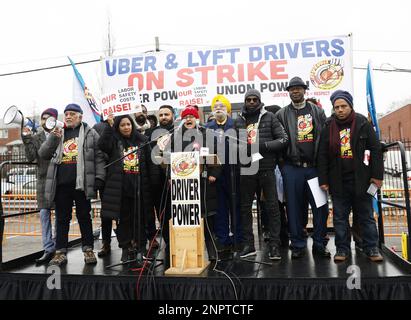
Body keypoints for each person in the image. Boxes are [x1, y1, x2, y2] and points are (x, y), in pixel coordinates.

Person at [318, 90, 384, 262]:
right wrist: (323, 179)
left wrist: (377, 176)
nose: (340, 110)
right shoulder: (328, 125)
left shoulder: (362, 122)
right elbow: (322, 155)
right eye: (336, 107)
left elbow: (376, 150)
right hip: (338, 181)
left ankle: (371, 248)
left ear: (350, 106)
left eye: (343, 106)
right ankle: (342, 249)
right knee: (340, 217)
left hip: (362, 179)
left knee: (366, 216)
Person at [40, 104, 106, 266]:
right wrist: (53, 137)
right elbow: (43, 154)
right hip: (61, 185)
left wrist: (99, 178)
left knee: (84, 217)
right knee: (62, 219)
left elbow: (99, 156)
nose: (68, 117)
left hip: (82, 184)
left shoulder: (90, 133)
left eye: (72, 114)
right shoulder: (58, 132)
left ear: (80, 116)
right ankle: (60, 252)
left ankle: (88, 250)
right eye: (66, 114)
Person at [276, 76, 330, 259]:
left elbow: (324, 141)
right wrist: (283, 166)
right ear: (288, 91)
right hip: (292, 169)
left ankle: (320, 243)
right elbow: (277, 142)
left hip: (314, 168)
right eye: (292, 88)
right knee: (293, 208)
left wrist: (323, 168)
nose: (295, 91)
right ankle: (298, 243)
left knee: (320, 207)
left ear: (304, 90)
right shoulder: (281, 114)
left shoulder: (317, 111)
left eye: (299, 88)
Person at [234, 89, 288, 260]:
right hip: (246, 169)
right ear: (244, 101)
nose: (251, 102)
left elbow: (283, 140)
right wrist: (241, 150)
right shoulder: (238, 120)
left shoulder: (270, 117)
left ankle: (274, 245)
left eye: (254, 99)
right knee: (245, 209)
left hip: (266, 169)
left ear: (259, 101)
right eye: (248, 99)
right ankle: (248, 245)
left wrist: (260, 146)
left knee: (272, 208)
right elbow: (231, 144)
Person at [98, 113, 158, 263]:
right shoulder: (114, 140)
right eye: (122, 125)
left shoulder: (142, 140)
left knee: (141, 220)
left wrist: (154, 182)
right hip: (121, 189)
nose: (126, 127)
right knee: (124, 221)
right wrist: (110, 127)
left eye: (128, 124)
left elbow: (151, 164)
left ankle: (141, 249)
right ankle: (125, 248)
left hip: (140, 189)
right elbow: (102, 145)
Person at [165, 105, 221, 260]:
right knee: (188, 217)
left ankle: (211, 249)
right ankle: (187, 253)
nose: (188, 119)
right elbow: (169, 159)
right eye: (186, 117)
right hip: (184, 184)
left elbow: (216, 155)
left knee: (207, 217)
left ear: (197, 119)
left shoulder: (206, 134)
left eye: (191, 116)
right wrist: (170, 176)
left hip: (204, 182)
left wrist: (214, 173)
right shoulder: (175, 137)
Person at [22, 108, 58, 264]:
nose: (45, 120)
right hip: (43, 181)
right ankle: (48, 249)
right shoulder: (36, 137)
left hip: (58, 178)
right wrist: (27, 138)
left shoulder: (61, 134)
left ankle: (59, 247)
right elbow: (30, 157)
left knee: (61, 216)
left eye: (49, 118)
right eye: (43, 118)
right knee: (44, 215)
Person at [206, 95, 242, 253]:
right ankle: (223, 239)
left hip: (235, 172)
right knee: (220, 208)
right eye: (215, 106)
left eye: (221, 106)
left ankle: (238, 238)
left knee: (236, 206)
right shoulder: (207, 127)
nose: (218, 108)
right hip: (216, 174)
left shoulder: (236, 125)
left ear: (227, 109)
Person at [148, 105, 175, 248]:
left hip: (176, 178)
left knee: (175, 212)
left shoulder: (179, 132)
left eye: (167, 114)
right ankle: (168, 241)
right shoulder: (151, 133)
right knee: (162, 212)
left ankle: (179, 240)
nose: (164, 117)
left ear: (173, 116)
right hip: (157, 181)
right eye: (161, 115)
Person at [92, 116, 114, 257]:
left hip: (120, 172)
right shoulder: (98, 127)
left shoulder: (123, 123)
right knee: (106, 213)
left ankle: (129, 243)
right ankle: (106, 243)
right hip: (105, 174)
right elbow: (97, 151)